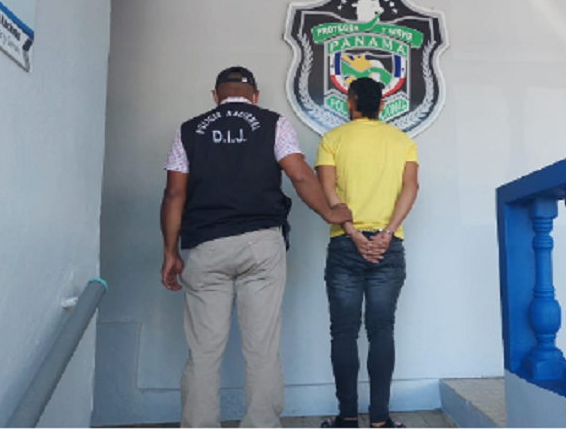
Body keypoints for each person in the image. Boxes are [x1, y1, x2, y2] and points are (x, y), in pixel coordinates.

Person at [160, 66, 352, 428]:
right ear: (256, 97)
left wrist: (170, 252)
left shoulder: (188, 130)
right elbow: (299, 174)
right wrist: (329, 212)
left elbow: (173, 193)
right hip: (261, 245)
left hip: (205, 247)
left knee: (203, 352)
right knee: (261, 347)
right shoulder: (274, 124)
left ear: (215, 96)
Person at [315, 78, 419, 429]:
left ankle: (347, 419)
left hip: (345, 244)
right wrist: (387, 232)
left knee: (344, 333)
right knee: (382, 330)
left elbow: (327, 190)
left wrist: (353, 233)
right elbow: (411, 187)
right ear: (382, 106)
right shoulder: (402, 141)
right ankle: (380, 420)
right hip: (388, 248)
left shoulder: (332, 139)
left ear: (351, 102)